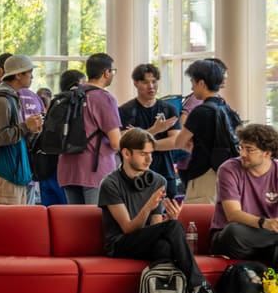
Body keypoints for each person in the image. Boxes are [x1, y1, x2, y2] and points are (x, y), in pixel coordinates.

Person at [99, 127, 228, 293]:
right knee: (172, 231)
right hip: (120, 243)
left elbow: (156, 227)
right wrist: (148, 207)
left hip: (145, 240)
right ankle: (200, 290)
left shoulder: (158, 181)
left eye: (151, 154)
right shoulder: (110, 183)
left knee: (166, 247)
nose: (149, 159)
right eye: (143, 154)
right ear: (126, 153)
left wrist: (170, 220)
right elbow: (127, 229)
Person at [56, 53, 122, 206]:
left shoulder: (71, 95)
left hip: (67, 169)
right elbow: (116, 143)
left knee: (77, 225)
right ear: (106, 72)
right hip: (94, 170)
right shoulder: (104, 98)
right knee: (95, 223)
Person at [209, 124, 278, 264]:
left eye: (249, 150)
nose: (242, 154)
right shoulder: (229, 169)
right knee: (234, 231)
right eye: (241, 148)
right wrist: (265, 223)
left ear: (267, 153)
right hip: (234, 239)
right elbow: (233, 215)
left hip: (265, 238)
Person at [175, 59, 241, 203]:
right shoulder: (227, 108)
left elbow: (179, 142)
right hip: (227, 172)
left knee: (198, 220)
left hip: (204, 173)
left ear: (202, 83)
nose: (192, 88)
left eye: (193, 82)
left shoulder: (200, 112)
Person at [0, 54, 43, 205]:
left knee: (18, 222)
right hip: (7, 172)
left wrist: (30, 130)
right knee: (9, 225)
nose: (32, 77)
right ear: (18, 74)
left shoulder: (10, 97)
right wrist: (25, 126)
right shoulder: (3, 100)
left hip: (14, 172)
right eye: (29, 72)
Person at [118, 64, 181, 197]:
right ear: (136, 83)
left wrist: (142, 145)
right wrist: (155, 130)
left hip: (165, 172)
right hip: (135, 176)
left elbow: (175, 141)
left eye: (154, 81)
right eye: (145, 82)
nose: (151, 86)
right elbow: (125, 143)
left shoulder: (168, 109)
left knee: (166, 215)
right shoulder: (125, 111)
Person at [38, 70, 85, 206]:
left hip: (47, 168)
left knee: (51, 214)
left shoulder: (55, 103)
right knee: (69, 216)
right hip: (67, 171)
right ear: (78, 84)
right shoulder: (76, 106)